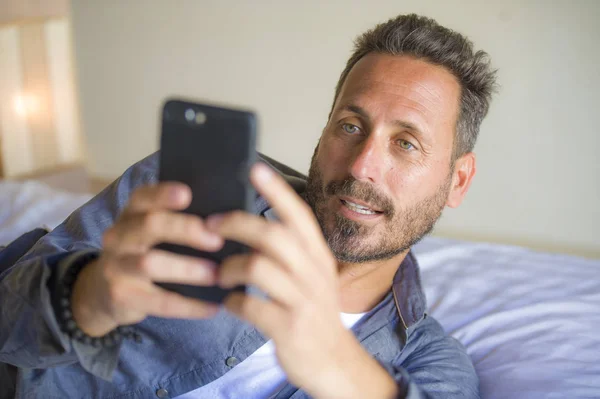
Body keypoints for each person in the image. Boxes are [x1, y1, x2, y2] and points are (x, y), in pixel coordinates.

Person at [0, 13, 496, 399]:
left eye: (406, 143)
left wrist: (334, 362)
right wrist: (86, 298)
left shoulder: (430, 363)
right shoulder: (194, 187)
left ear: (459, 180)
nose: (363, 165)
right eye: (350, 125)